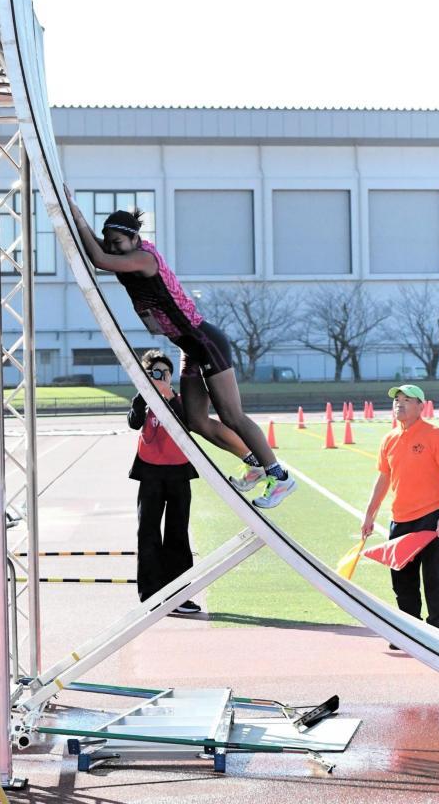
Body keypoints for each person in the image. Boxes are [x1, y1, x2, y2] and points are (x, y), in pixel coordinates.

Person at [65, 192, 296, 509]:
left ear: (135, 238)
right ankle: (253, 463)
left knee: (231, 415)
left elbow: (101, 260)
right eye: (110, 241)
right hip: (189, 347)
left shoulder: (145, 259)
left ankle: (280, 477)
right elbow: (103, 251)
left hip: (205, 341)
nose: (113, 247)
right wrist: (77, 217)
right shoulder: (129, 252)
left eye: (118, 242)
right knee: (197, 421)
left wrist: (78, 219)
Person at [361, 384, 439, 646]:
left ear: (421, 406)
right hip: (400, 518)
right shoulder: (389, 439)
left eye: (407, 400)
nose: (400, 404)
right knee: (402, 579)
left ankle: (437, 630)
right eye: (397, 399)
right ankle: (408, 630)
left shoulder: (435, 435)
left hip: (432, 516)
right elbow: (384, 478)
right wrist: (369, 514)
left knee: (433, 576)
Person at [128, 349, 200, 614]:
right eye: (154, 373)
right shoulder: (143, 401)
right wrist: (143, 395)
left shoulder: (179, 401)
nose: (160, 377)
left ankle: (180, 595)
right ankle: (151, 594)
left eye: (164, 373)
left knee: (178, 534)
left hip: (179, 473)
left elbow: (189, 424)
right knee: (147, 533)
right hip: (150, 473)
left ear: (171, 376)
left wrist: (170, 398)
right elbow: (134, 423)